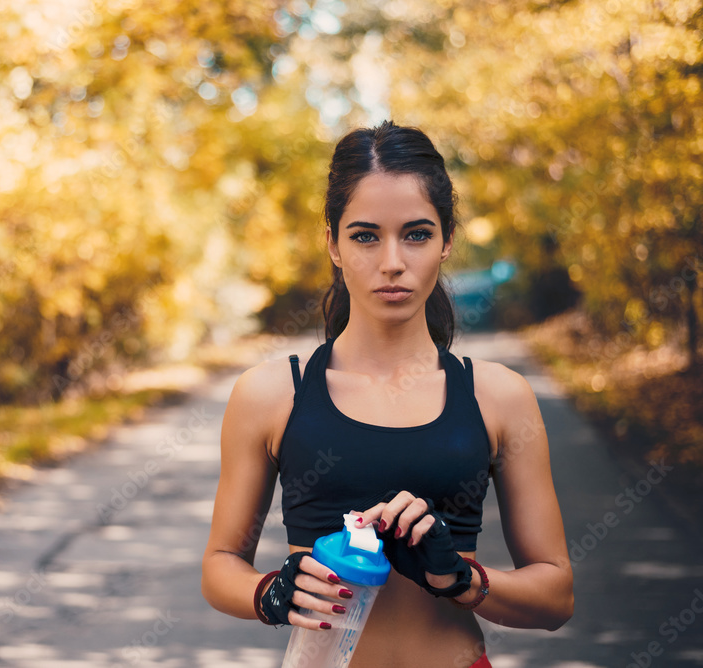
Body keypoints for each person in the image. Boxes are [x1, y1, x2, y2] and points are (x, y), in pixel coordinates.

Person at [200, 120, 573, 667]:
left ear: (446, 241)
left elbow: (556, 596)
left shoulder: (499, 396)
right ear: (332, 242)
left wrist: (464, 579)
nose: (392, 261)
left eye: (417, 234)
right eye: (365, 235)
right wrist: (271, 593)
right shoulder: (272, 394)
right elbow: (220, 564)